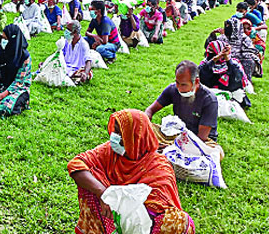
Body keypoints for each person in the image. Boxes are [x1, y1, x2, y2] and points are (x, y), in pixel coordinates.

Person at [67, 109, 195, 234]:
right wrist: (103, 193)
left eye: (119, 133)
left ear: (135, 137)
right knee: (91, 185)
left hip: (145, 225)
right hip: (110, 218)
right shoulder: (109, 152)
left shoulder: (159, 167)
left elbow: (156, 209)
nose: (114, 137)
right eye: (114, 131)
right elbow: (77, 164)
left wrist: (124, 209)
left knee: (177, 221)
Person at [145, 60, 219, 145]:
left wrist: (174, 147)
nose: (179, 88)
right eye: (177, 82)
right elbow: (150, 110)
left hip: (202, 140)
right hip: (178, 132)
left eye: (183, 85)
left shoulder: (209, 100)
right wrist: (145, 122)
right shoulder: (173, 89)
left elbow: (201, 138)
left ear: (196, 82)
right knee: (149, 131)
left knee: (213, 152)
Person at [0, 24, 31, 116]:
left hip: (18, 88)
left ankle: (21, 103)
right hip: (3, 84)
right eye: (2, 38)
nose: (3, 41)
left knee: (6, 106)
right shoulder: (2, 51)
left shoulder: (24, 57)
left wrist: (2, 95)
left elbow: (19, 82)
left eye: (5, 39)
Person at [199, 41, 250, 108]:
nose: (208, 51)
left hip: (229, 91)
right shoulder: (205, 63)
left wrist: (228, 60)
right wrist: (215, 59)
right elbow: (200, 75)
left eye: (211, 50)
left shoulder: (234, 63)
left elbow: (237, 79)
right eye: (209, 49)